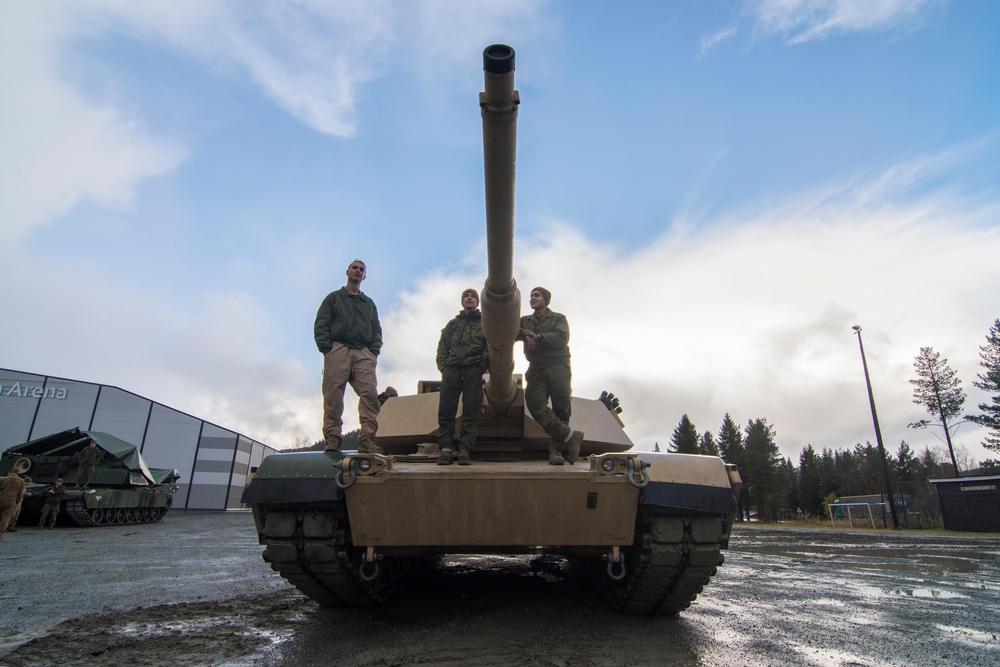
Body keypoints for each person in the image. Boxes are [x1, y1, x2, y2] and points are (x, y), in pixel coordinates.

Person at [314, 259, 383, 453]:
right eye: (355, 268)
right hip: (338, 348)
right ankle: (332, 437)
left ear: (365, 276)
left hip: (363, 351)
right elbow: (322, 323)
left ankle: (367, 437)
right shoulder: (334, 298)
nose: (358, 271)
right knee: (333, 394)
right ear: (347, 272)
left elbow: (376, 329)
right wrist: (326, 348)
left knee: (369, 393)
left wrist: (373, 351)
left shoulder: (368, 303)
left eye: (361, 269)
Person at [517, 287, 585, 465]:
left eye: (537, 295)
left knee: (561, 407)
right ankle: (570, 435)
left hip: (557, 365)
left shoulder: (558, 319)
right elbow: (509, 330)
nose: (532, 298)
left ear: (546, 300)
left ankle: (556, 451)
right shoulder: (525, 321)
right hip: (537, 368)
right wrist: (525, 333)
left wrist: (538, 336)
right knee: (533, 402)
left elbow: (562, 338)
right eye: (531, 296)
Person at [435, 288, 489, 465]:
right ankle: (445, 449)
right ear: (462, 301)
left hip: (474, 368)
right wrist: (444, 366)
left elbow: (489, 345)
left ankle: (465, 449)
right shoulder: (453, 324)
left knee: (470, 410)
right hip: (452, 368)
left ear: (477, 302)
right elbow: (443, 346)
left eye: (473, 296)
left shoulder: (485, 322)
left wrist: (481, 365)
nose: (469, 298)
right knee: (446, 409)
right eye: (466, 295)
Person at [0, 470, 27, 541]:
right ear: (18, 473)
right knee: (5, 518)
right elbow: (20, 493)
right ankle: (0, 534)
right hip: (11, 502)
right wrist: (16, 502)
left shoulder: (3, 479)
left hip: (1, 499)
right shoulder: (21, 481)